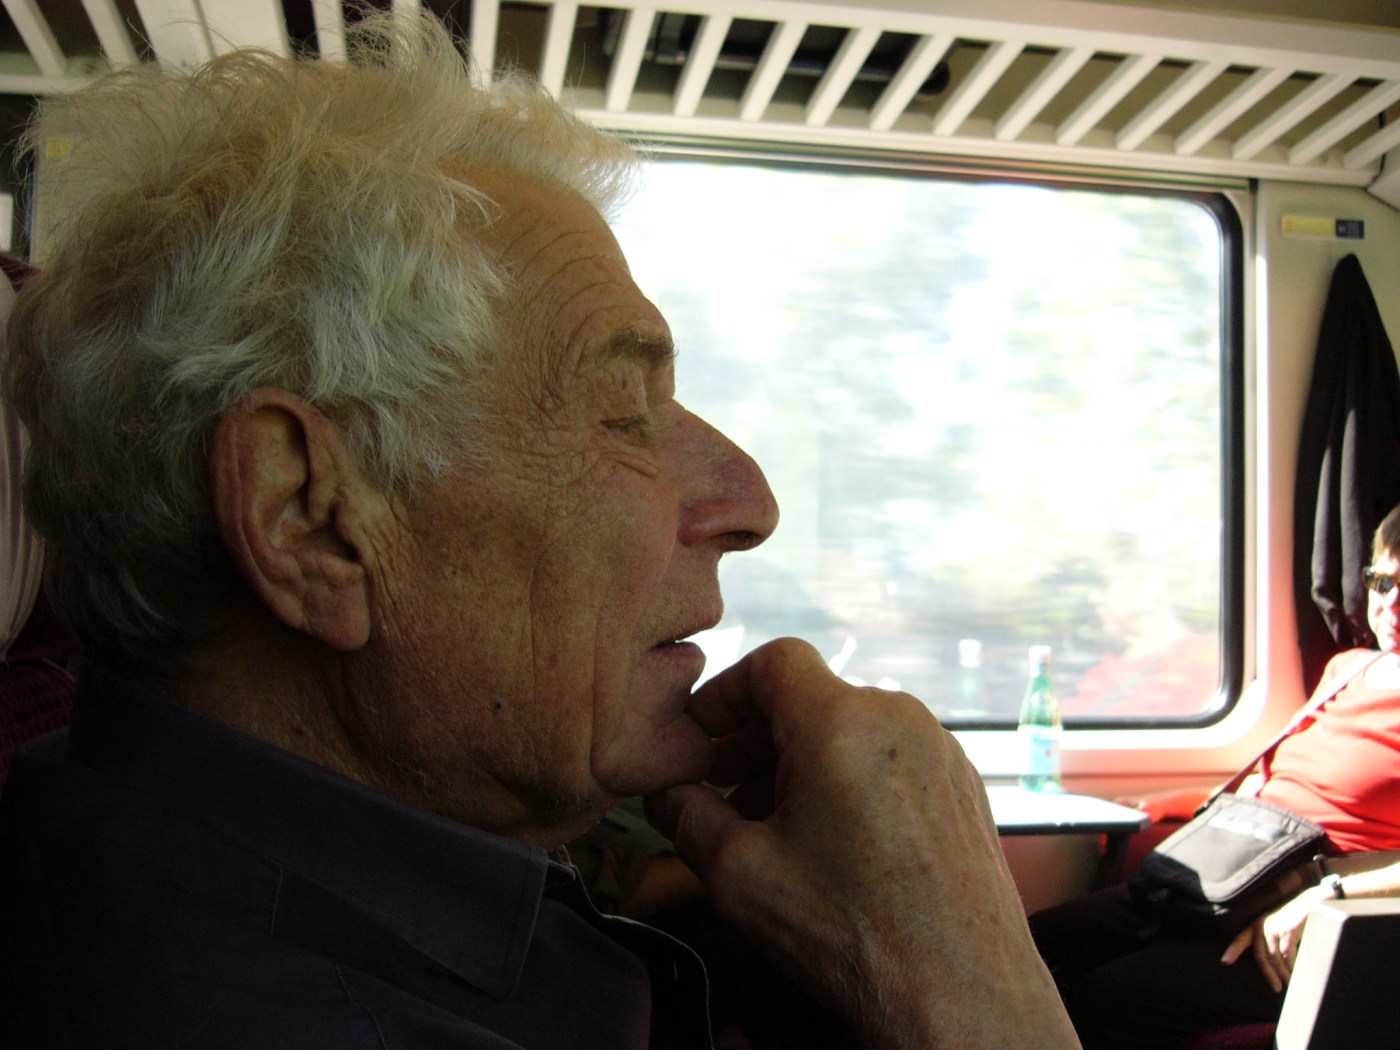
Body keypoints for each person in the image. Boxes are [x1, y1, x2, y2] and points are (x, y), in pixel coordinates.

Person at [0, 12, 1076, 1049]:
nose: (749, 503)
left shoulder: (104, 822)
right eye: (622, 412)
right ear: (311, 518)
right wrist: (964, 987)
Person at [1030, 503, 1400, 1048]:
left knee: (1103, 1001)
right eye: (1382, 581)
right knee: (1030, 949)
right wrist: (1169, 801)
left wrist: (1327, 892)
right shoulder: (1350, 669)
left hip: (1318, 914)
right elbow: (1275, 790)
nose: (1391, 601)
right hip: (1233, 876)